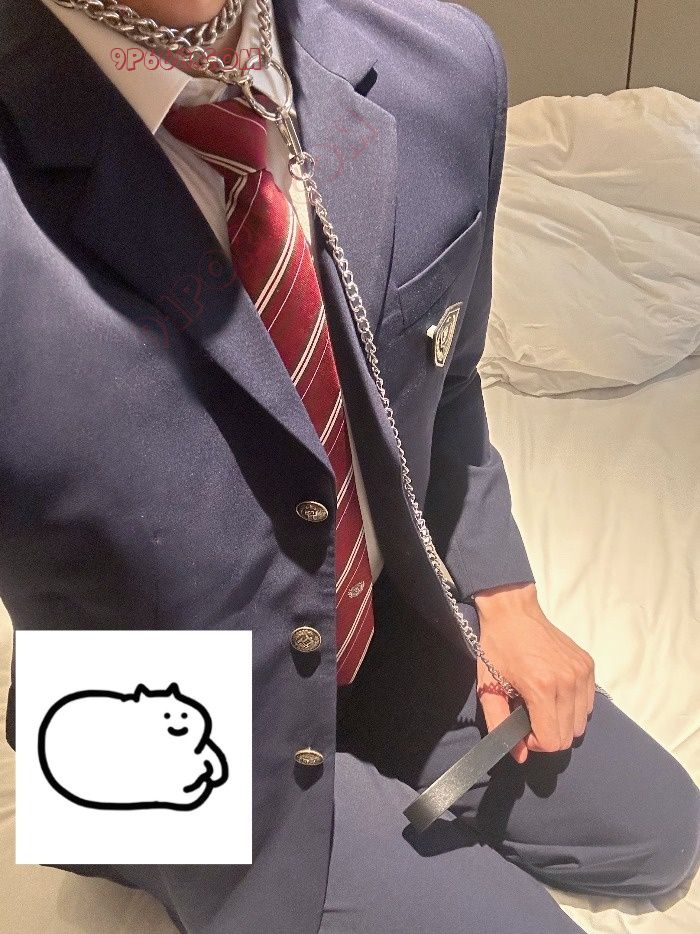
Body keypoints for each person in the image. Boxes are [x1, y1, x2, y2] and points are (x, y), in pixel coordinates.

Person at [0, 0, 698, 931]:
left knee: (662, 831)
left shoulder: (438, 66)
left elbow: (446, 371)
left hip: (376, 624)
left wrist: (501, 590)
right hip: (153, 713)